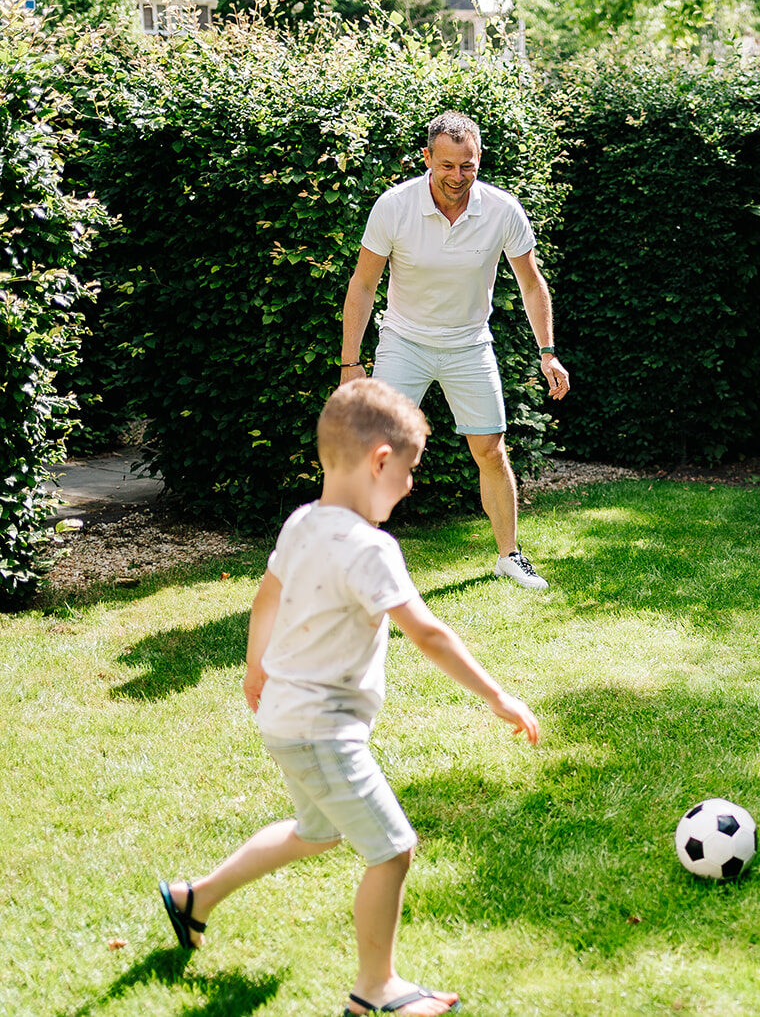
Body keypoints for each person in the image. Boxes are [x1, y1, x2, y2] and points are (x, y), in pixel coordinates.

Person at [157, 379, 541, 1017]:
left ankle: (192, 897)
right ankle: (376, 990)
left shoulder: (303, 522)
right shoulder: (371, 549)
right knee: (391, 849)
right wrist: (497, 696)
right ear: (381, 461)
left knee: (316, 833)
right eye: (411, 470)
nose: (412, 486)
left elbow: (267, 596)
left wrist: (257, 668)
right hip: (323, 731)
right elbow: (428, 631)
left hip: (288, 719)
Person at [340, 110, 569, 591]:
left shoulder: (503, 210)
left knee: (490, 448)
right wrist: (350, 364)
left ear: (479, 159)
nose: (457, 177)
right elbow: (363, 284)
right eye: (446, 165)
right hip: (404, 341)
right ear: (427, 158)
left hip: (469, 344)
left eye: (467, 165)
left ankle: (509, 556)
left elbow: (531, 284)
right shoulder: (394, 206)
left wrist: (548, 351)